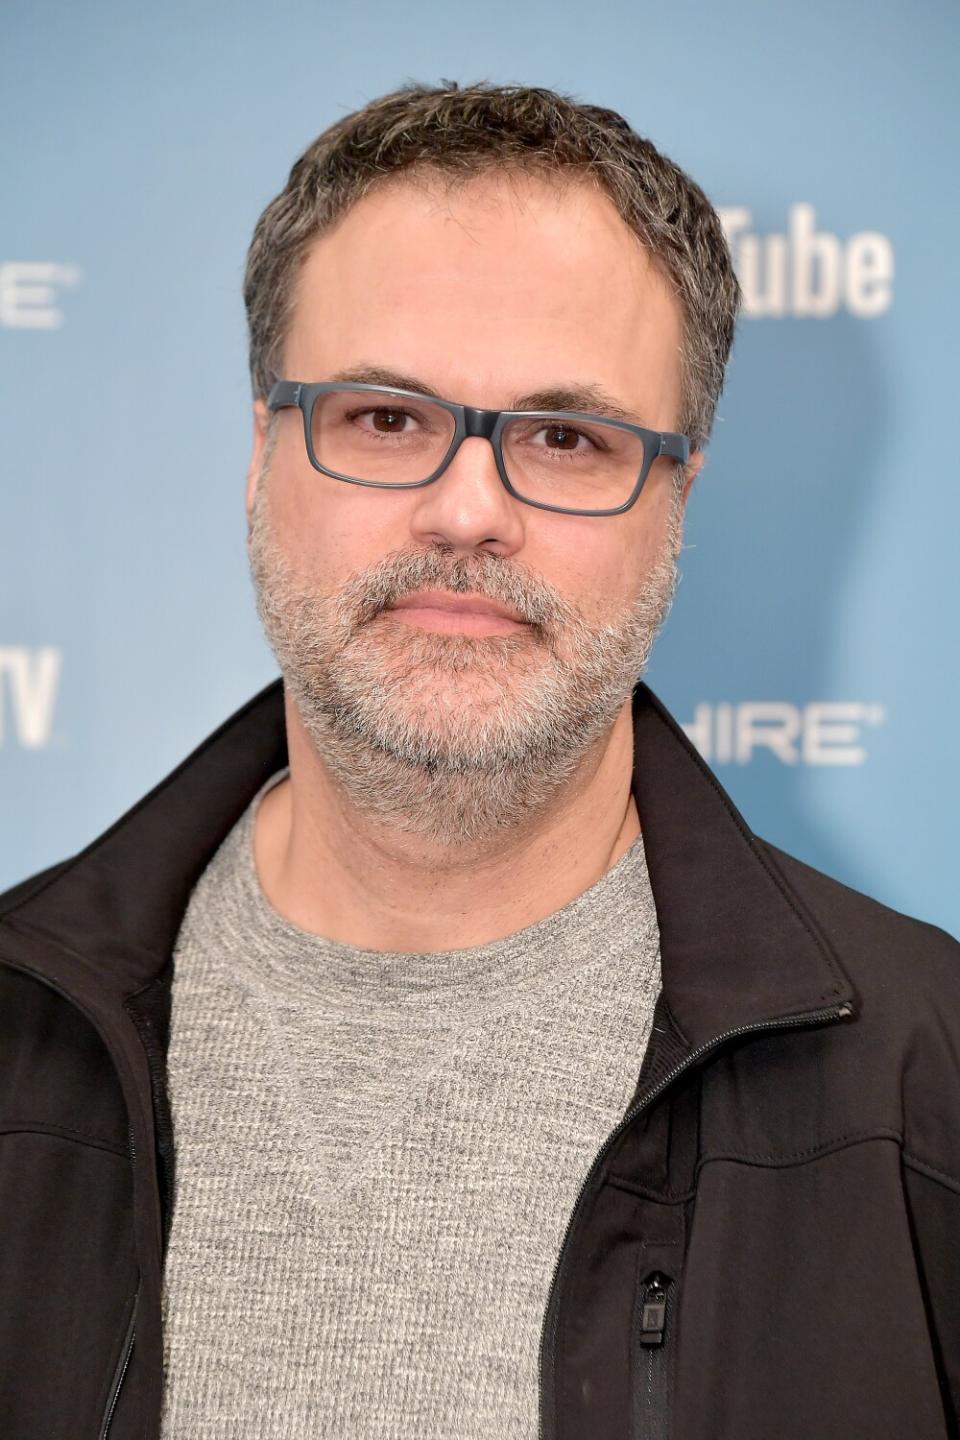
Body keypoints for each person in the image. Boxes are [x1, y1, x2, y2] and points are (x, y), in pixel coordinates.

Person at [1, 80, 957, 1440]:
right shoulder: (14, 1034)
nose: (468, 508)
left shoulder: (930, 1089)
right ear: (261, 453)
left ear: (678, 501)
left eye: (568, 439)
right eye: (384, 417)